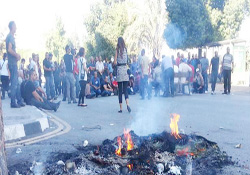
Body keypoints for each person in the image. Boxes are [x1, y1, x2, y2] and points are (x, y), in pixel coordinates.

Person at [5, 21, 25, 108]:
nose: (16, 28)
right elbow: (9, 49)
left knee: (16, 82)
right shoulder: (10, 37)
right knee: (14, 83)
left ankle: (19, 100)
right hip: (12, 63)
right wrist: (17, 55)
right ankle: (13, 102)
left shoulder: (10, 37)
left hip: (12, 63)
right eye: (15, 26)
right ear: (12, 26)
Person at [114, 37, 131, 113]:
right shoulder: (125, 49)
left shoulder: (117, 49)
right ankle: (128, 104)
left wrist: (115, 62)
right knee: (125, 90)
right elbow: (127, 60)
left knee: (120, 91)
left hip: (119, 70)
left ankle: (121, 108)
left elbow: (114, 62)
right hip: (125, 70)